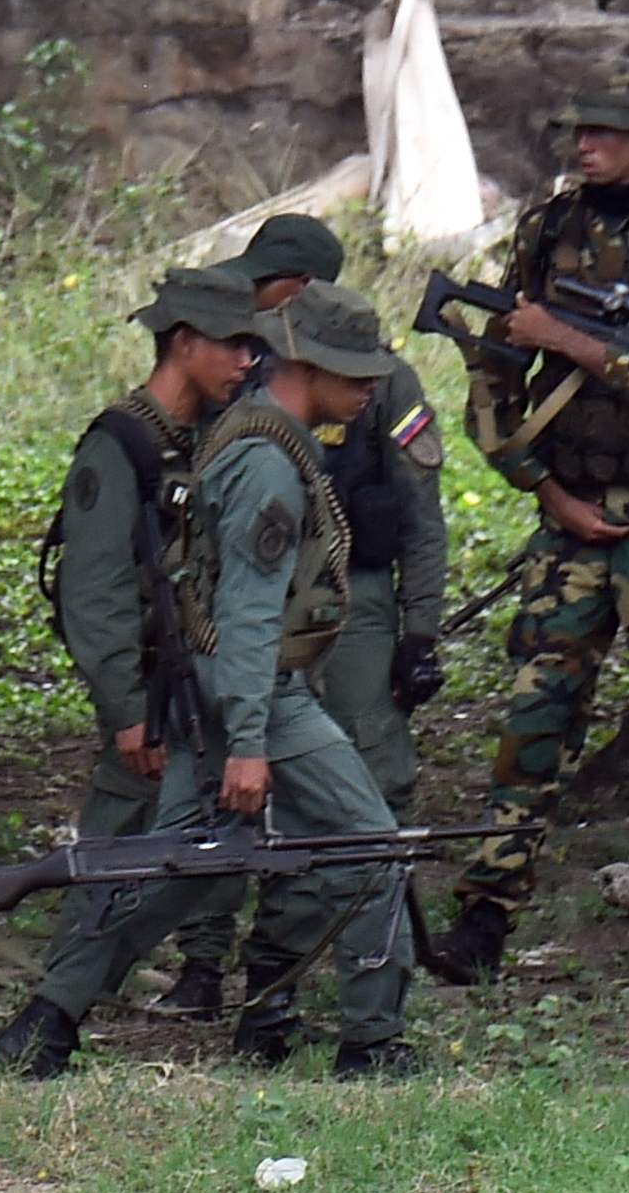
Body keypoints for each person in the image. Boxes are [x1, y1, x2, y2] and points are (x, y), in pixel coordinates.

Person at [0, 285, 426, 1082]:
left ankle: (48, 1018)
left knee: (185, 871)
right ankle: (371, 1043)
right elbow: (252, 613)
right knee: (372, 847)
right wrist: (251, 744)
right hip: (258, 700)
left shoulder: (259, 439)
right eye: (354, 371)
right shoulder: (269, 461)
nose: (371, 388)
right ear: (307, 361)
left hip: (221, 696)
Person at [424, 72, 629, 989]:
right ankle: (485, 918)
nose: (583, 147)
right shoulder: (547, 231)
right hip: (572, 516)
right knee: (534, 721)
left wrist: (579, 344)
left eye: (602, 133)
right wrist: (539, 485)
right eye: (576, 131)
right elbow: (495, 365)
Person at [155, 214, 452, 1021]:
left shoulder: (381, 384)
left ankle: (325, 969)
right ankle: (221, 968)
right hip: (253, 621)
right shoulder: (244, 388)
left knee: (372, 785)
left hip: (346, 607)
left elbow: (420, 513)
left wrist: (420, 630)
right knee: (233, 810)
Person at [30, 265, 262, 911]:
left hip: (198, 676)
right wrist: (129, 709)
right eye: (231, 344)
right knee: (118, 835)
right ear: (184, 342)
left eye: (252, 346)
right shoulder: (121, 445)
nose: (246, 361)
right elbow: (91, 592)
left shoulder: (213, 435)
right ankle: (70, 974)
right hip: (150, 689)